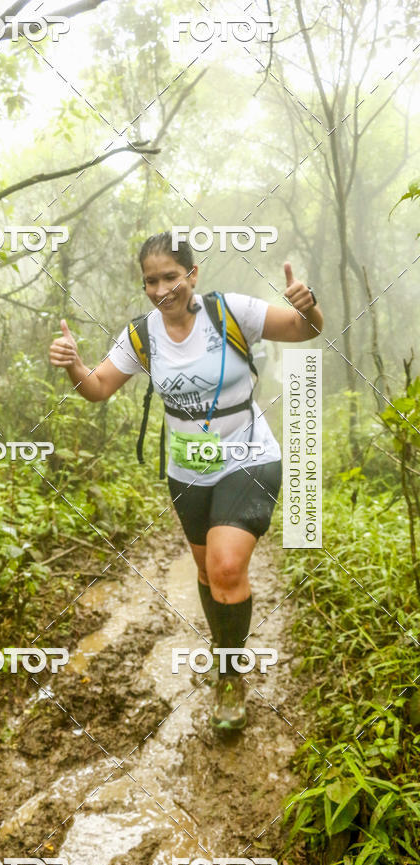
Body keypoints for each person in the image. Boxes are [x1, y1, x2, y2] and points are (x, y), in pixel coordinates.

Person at [49, 231, 323, 731]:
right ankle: (224, 651)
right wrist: (74, 365)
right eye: (150, 281)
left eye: (170, 277)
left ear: (192, 275)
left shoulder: (230, 312)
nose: (160, 289)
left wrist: (308, 307)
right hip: (188, 469)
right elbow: (98, 388)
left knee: (224, 567)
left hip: (248, 455)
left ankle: (230, 675)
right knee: (204, 571)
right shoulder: (142, 335)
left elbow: (304, 330)